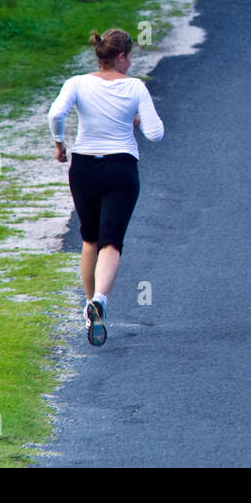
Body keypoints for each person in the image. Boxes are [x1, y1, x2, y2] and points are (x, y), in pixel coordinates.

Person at [48, 29, 164, 346]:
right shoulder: (135, 87)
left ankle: (91, 308)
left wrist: (60, 144)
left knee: (89, 238)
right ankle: (101, 298)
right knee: (111, 242)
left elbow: (56, 113)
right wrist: (136, 119)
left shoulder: (77, 83)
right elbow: (156, 134)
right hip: (121, 168)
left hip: (84, 167)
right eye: (131, 57)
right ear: (122, 56)